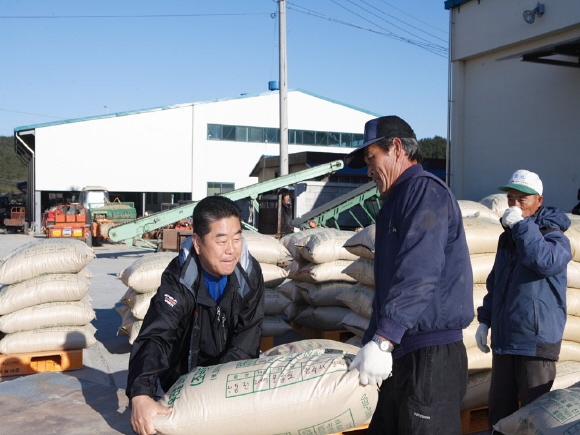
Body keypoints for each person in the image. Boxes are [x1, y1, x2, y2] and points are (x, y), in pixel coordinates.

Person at [343, 115, 474, 434]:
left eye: (372, 159)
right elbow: (391, 283)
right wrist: (374, 340)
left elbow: (420, 271)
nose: (369, 171)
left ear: (397, 147)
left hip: (430, 358)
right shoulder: (397, 200)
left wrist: (384, 339)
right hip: (403, 349)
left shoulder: (424, 192)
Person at [126, 195, 265, 435]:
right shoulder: (181, 279)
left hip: (228, 374)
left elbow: (248, 337)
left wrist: (215, 388)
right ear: (198, 244)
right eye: (221, 241)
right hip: (182, 378)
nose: (231, 250)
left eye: (237, 238)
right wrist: (140, 394)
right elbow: (157, 334)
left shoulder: (248, 275)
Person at [475, 169, 572, 428]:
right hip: (506, 341)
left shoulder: (555, 237)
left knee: (535, 418)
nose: (514, 204)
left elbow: (542, 260)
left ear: (538, 201)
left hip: (536, 343)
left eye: (522, 199)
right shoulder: (507, 238)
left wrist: (521, 225)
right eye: (511, 199)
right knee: (500, 417)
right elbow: (496, 283)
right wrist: (485, 321)